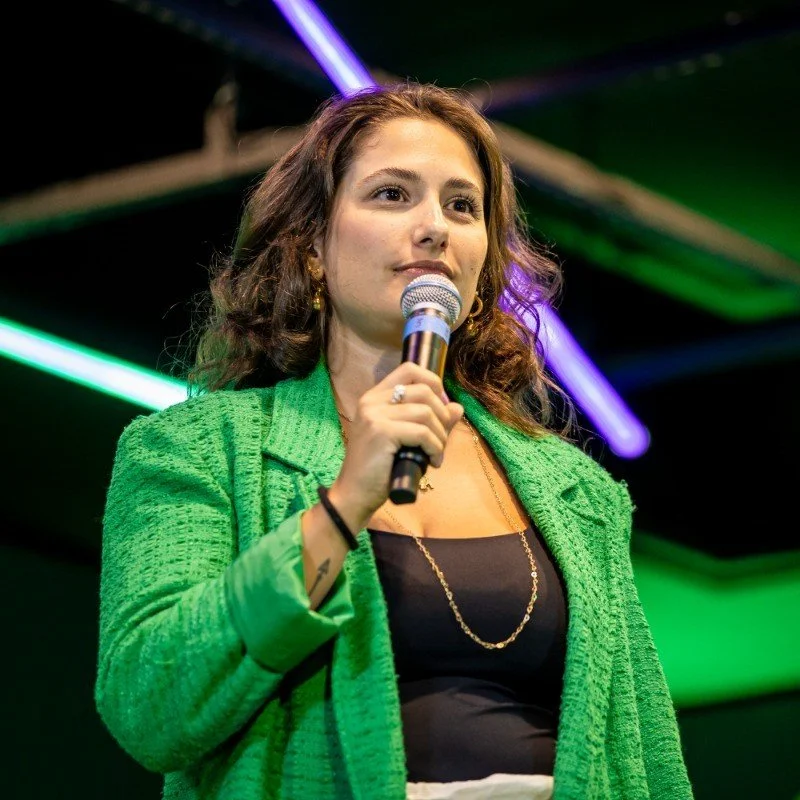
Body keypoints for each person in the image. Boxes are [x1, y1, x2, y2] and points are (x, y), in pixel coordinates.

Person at [94, 82, 694, 800]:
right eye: (391, 195)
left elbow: (646, 752)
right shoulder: (196, 450)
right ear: (312, 246)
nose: (435, 227)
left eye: (462, 205)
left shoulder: (576, 490)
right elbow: (148, 704)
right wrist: (346, 502)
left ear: (480, 274)